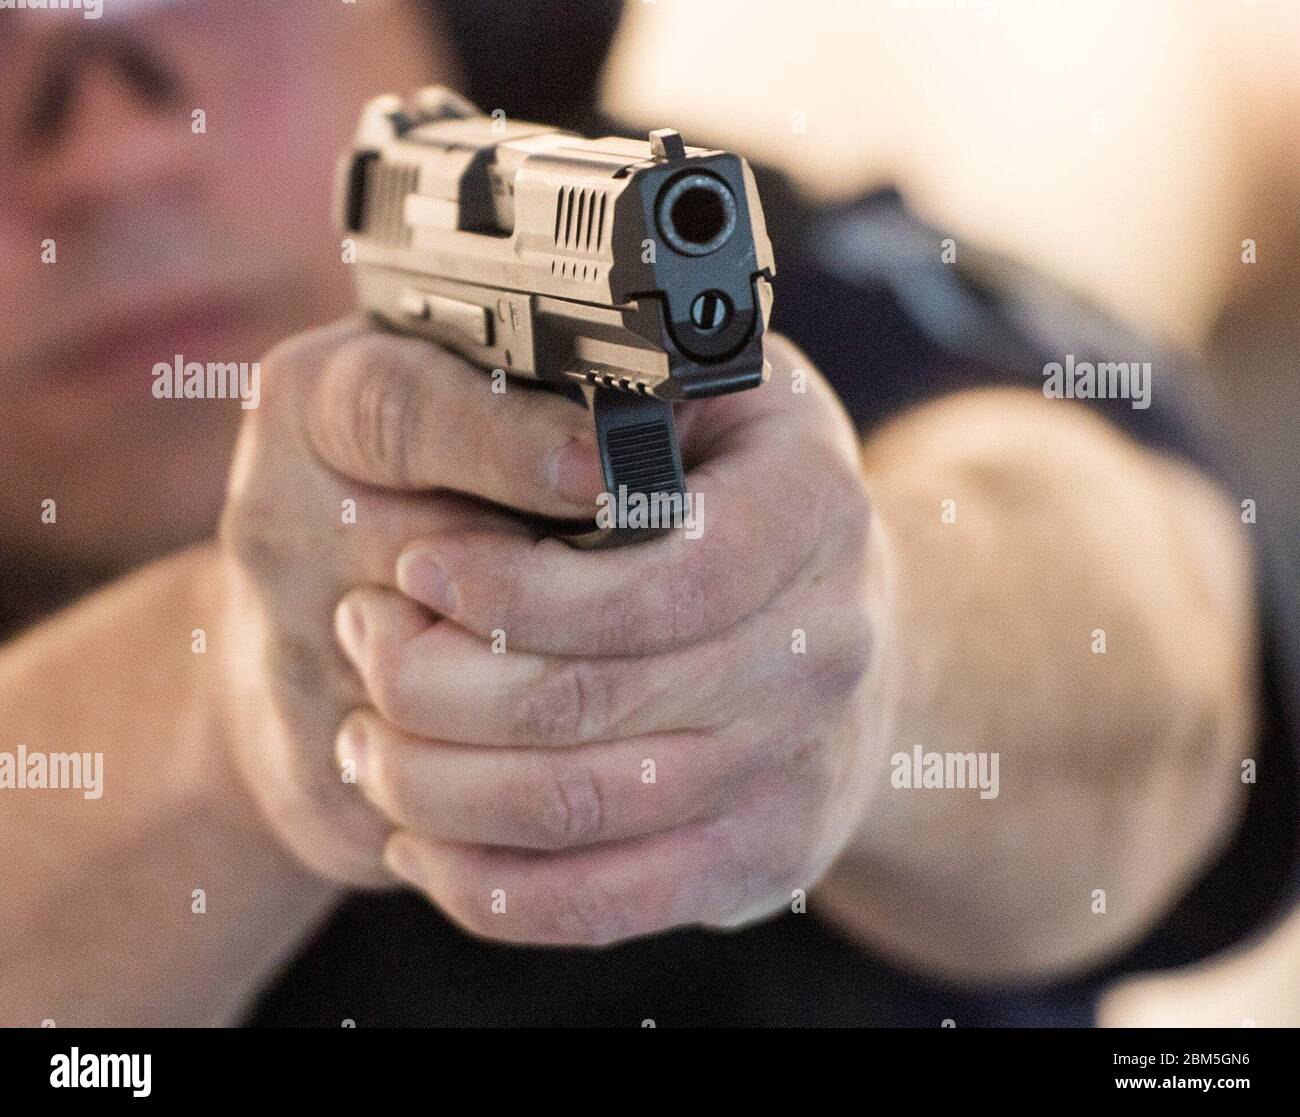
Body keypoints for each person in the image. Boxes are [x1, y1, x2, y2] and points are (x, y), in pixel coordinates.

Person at [0, 0, 1294, 1028]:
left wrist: (872, 653)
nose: (111, 149)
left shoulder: (728, 238)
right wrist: (239, 714)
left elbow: (1159, 652)